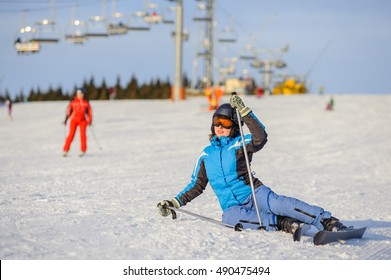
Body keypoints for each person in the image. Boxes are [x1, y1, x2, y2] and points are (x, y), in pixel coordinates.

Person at [157, 95, 348, 235]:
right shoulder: (206, 155)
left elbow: (260, 137)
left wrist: (245, 113)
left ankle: (325, 220)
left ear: (234, 126)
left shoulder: (240, 143)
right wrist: (174, 203)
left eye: (225, 123)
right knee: (230, 219)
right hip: (231, 205)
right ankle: (283, 223)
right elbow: (196, 186)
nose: (220, 127)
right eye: (217, 122)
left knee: (279, 203)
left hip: (254, 193)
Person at [62, 88, 92, 157]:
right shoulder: (73, 102)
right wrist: (66, 119)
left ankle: (83, 150)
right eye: (78, 94)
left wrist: (89, 121)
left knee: (83, 135)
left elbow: (89, 112)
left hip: (83, 121)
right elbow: (69, 111)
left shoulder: (86, 103)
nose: (79, 95)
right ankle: (65, 150)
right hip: (74, 120)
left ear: (83, 95)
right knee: (71, 135)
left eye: (81, 94)